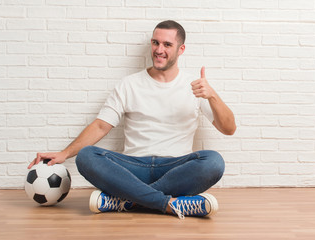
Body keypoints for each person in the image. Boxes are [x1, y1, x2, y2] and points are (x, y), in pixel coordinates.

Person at [28, 20, 236, 219]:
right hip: (133, 168)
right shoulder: (129, 84)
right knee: (86, 156)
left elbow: (229, 128)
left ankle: (126, 201)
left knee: (214, 162)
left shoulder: (196, 86)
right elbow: (101, 125)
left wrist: (213, 96)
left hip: (175, 168)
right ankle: (168, 204)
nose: (159, 49)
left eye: (167, 44)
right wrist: (65, 153)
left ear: (181, 49)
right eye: (155, 42)